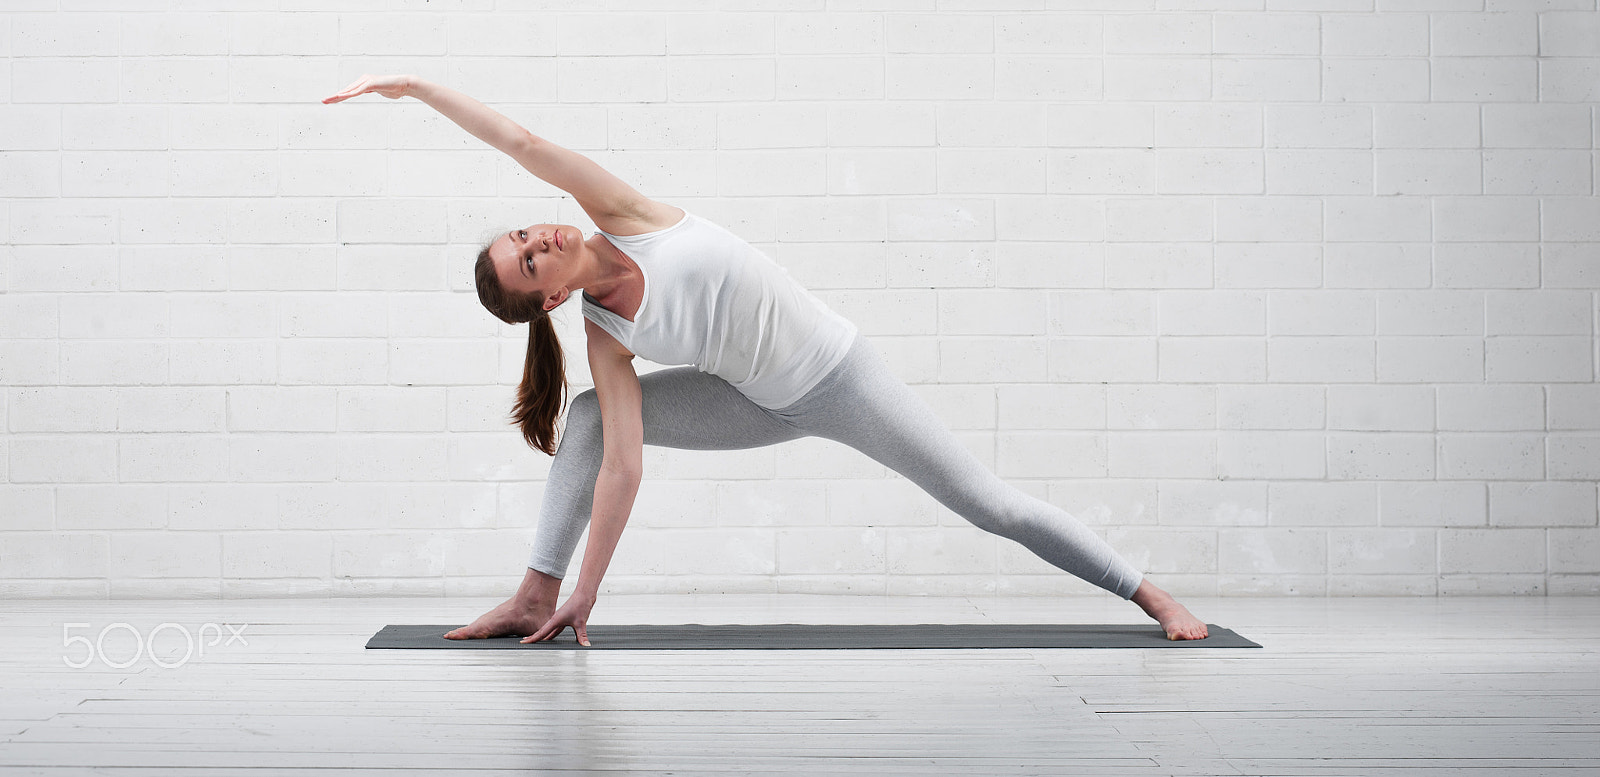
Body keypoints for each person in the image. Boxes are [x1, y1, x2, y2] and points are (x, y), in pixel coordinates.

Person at [323, 74, 1210, 646]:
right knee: (593, 417)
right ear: (548, 298)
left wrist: (416, 89)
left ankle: (1148, 593)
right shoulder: (603, 330)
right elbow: (623, 469)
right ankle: (535, 592)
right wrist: (587, 593)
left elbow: (519, 140)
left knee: (988, 504)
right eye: (530, 261)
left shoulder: (617, 209)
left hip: (838, 376)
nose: (538, 239)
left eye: (524, 234)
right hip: (752, 401)